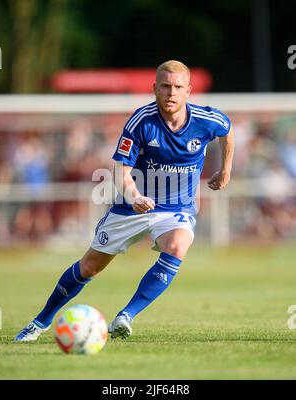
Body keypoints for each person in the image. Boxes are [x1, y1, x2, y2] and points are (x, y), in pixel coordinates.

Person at [15, 60, 234, 341]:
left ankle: (126, 316)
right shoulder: (142, 121)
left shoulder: (208, 120)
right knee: (89, 267)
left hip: (178, 208)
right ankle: (39, 322)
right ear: (155, 88)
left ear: (188, 91)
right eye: (165, 86)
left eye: (178, 87)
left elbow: (227, 132)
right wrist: (134, 197)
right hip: (132, 207)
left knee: (178, 246)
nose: (171, 92)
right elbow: (120, 169)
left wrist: (225, 169)